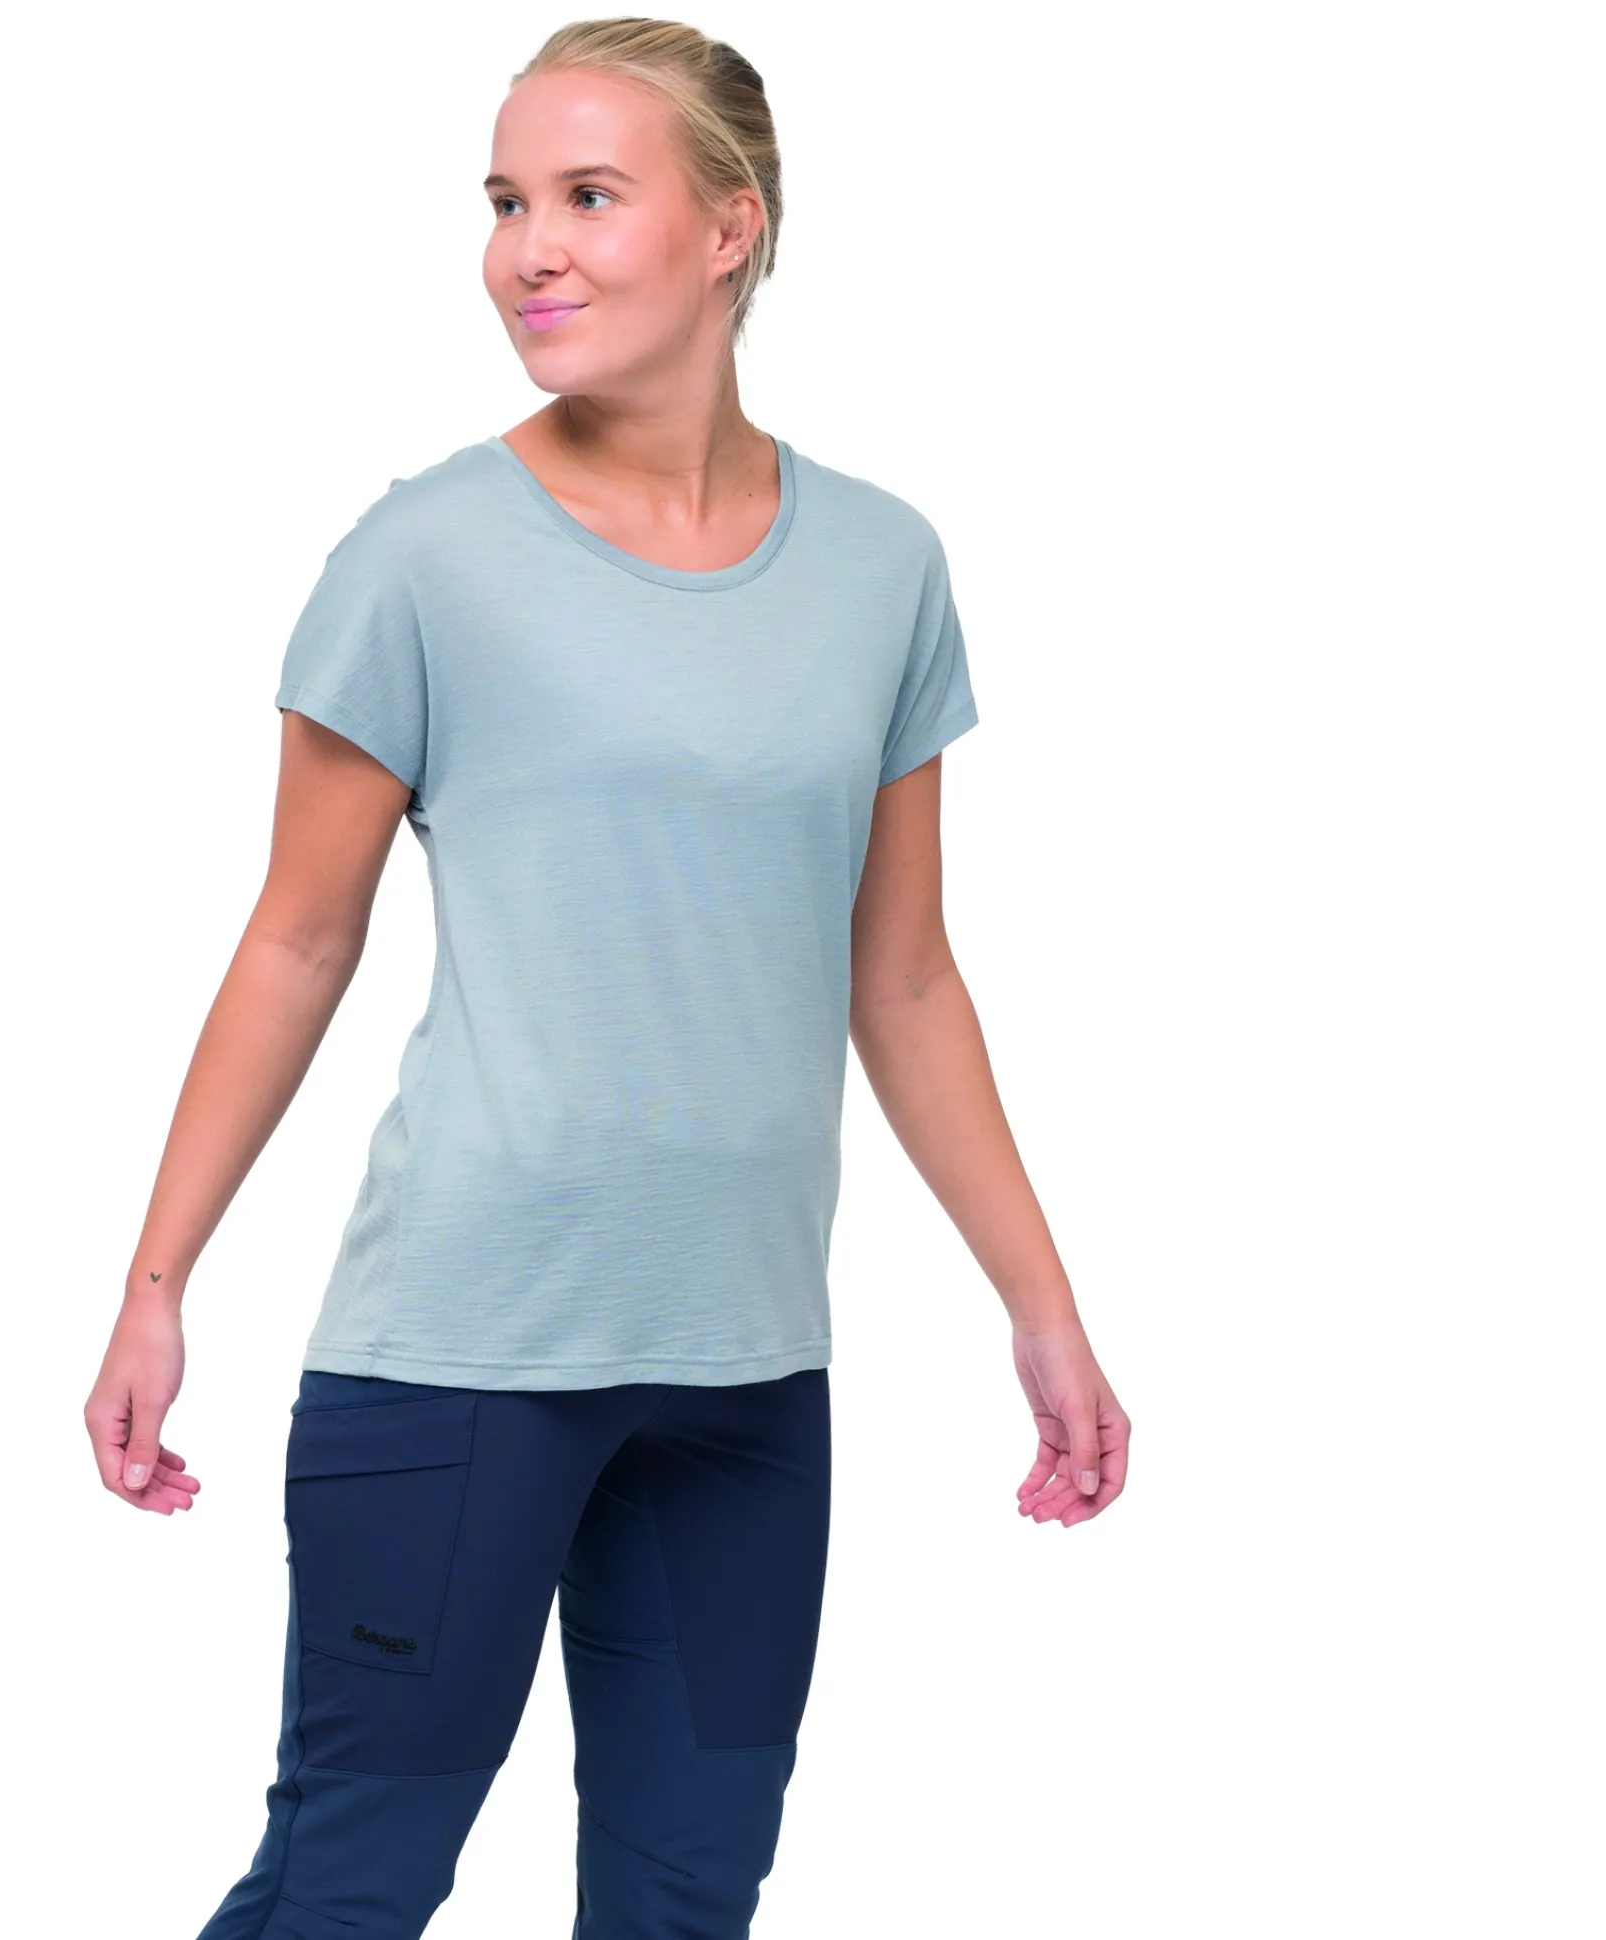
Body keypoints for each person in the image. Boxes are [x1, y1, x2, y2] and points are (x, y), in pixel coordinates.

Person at [84, 18, 1131, 1938]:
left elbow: (904, 979)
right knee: (348, 1887)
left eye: (585, 196)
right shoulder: (422, 557)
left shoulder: (883, 567)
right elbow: (296, 938)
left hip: (749, 1376)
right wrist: (159, 1284)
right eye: (504, 203)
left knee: (685, 1900)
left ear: (731, 228)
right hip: (460, 1358)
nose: (528, 251)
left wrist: (1041, 1308)